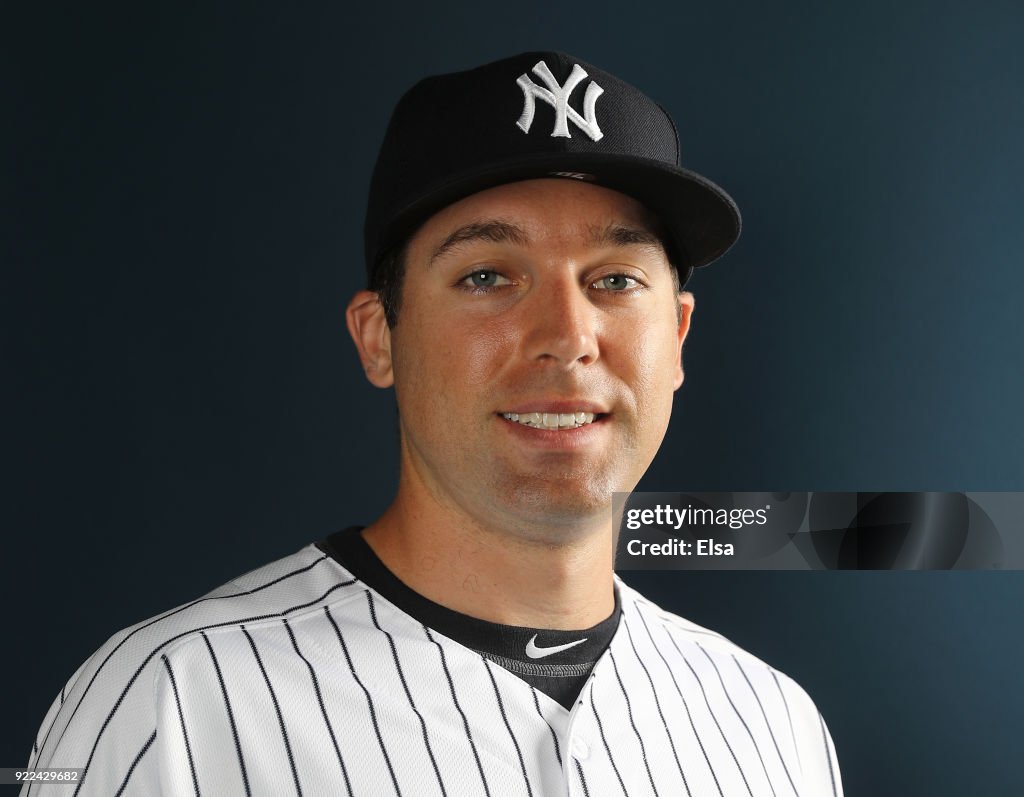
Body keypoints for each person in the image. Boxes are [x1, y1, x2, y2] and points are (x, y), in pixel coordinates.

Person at [23, 51, 842, 796]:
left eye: (616, 278)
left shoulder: (774, 724)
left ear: (677, 339)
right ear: (380, 336)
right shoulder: (173, 701)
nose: (566, 335)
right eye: (488, 274)